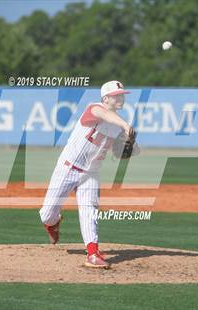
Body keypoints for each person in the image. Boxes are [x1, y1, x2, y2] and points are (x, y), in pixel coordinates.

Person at [39, 80, 139, 269]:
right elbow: (103, 114)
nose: (121, 98)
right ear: (105, 98)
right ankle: (53, 224)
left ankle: (92, 253)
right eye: (117, 95)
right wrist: (126, 126)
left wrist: (129, 145)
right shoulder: (94, 108)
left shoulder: (117, 126)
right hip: (68, 167)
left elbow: (120, 154)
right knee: (47, 215)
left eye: (122, 94)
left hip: (91, 172)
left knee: (89, 210)